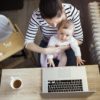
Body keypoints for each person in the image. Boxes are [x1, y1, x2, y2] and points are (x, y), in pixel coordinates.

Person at [25, 0, 83, 66]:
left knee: (72, 66)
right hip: (47, 43)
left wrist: (61, 48)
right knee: (44, 68)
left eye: (58, 22)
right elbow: (28, 43)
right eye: (50, 23)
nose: (55, 26)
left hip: (68, 44)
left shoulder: (71, 11)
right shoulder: (37, 16)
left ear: (63, 10)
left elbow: (79, 39)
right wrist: (45, 50)